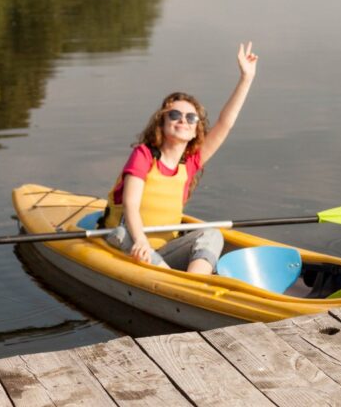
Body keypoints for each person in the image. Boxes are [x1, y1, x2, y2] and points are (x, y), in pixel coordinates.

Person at [101, 42, 258, 274]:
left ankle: (195, 283)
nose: (183, 120)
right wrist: (141, 241)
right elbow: (131, 205)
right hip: (131, 242)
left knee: (211, 233)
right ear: (162, 123)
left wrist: (246, 78)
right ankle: (176, 281)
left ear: (196, 129)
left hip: (163, 252)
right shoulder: (143, 155)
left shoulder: (192, 162)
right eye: (175, 115)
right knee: (121, 233)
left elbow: (226, 123)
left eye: (190, 118)